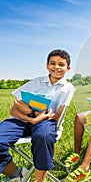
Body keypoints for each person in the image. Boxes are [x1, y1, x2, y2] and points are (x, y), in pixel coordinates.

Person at [0, 49, 75, 182]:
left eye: (61, 64)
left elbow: (57, 117)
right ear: (47, 65)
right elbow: (14, 110)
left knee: (44, 136)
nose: (56, 67)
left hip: (47, 123)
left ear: (68, 68)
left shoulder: (68, 89)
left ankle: (40, 180)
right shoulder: (35, 83)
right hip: (21, 120)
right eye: (53, 63)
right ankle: (17, 173)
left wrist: (34, 114)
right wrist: (32, 118)